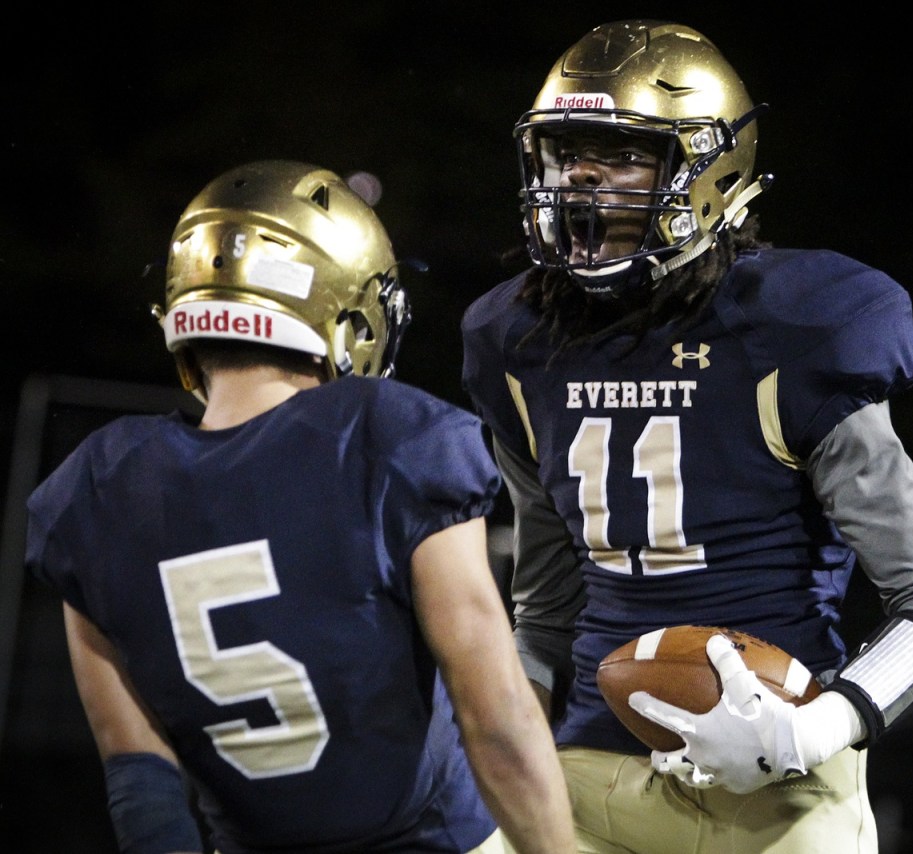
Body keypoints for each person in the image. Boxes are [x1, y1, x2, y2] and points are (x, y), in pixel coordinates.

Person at [460, 20, 913, 854]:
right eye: (566, 154)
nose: (581, 182)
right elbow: (549, 610)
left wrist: (813, 728)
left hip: (778, 790)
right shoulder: (519, 342)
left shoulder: (795, 329)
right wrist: (491, 723)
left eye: (622, 155)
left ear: (709, 172)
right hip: (588, 774)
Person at [25, 160, 576, 854]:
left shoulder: (91, 495)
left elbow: (142, 782)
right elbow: (496, 720)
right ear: (346, 314)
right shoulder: (390, 439)